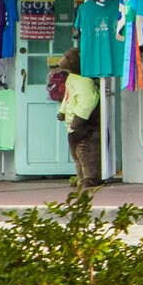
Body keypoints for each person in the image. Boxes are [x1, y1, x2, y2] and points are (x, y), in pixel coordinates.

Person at [55, 49, 101, 189]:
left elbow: (88, 101)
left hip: (86, 125)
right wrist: (63, 111)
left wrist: (79, 117)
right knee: (76, 154)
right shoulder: (72, 79)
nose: (62, 62)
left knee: (85, 150)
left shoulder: (85, 82)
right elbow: (68, 97)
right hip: (72, 124)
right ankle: (81, 177)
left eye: (67, 59)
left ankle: (91, 177)